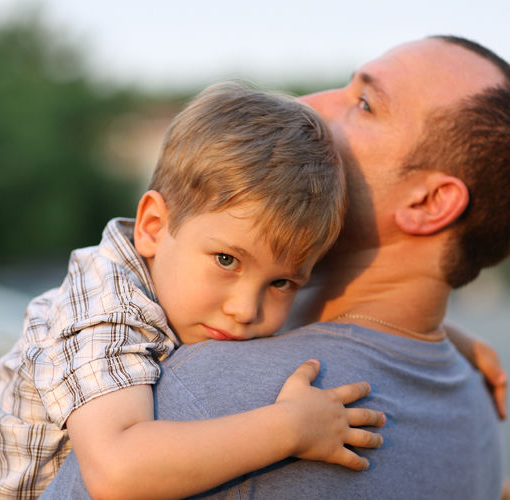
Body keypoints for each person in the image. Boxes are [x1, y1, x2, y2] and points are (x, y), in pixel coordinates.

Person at [41, 35, 510, 499]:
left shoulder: (214, 394)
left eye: (364, 104)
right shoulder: (478, 406)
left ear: (429, 202)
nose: (309, 105)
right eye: (227, 260)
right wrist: (450, 338)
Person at [0, 83, 391, 500]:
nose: (246, 309)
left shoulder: (188, 288)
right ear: (152, 226)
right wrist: (290, 428)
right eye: (227, 261)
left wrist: (446, 337)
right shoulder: (104, 306)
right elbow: (116, 471)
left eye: (281, 282)